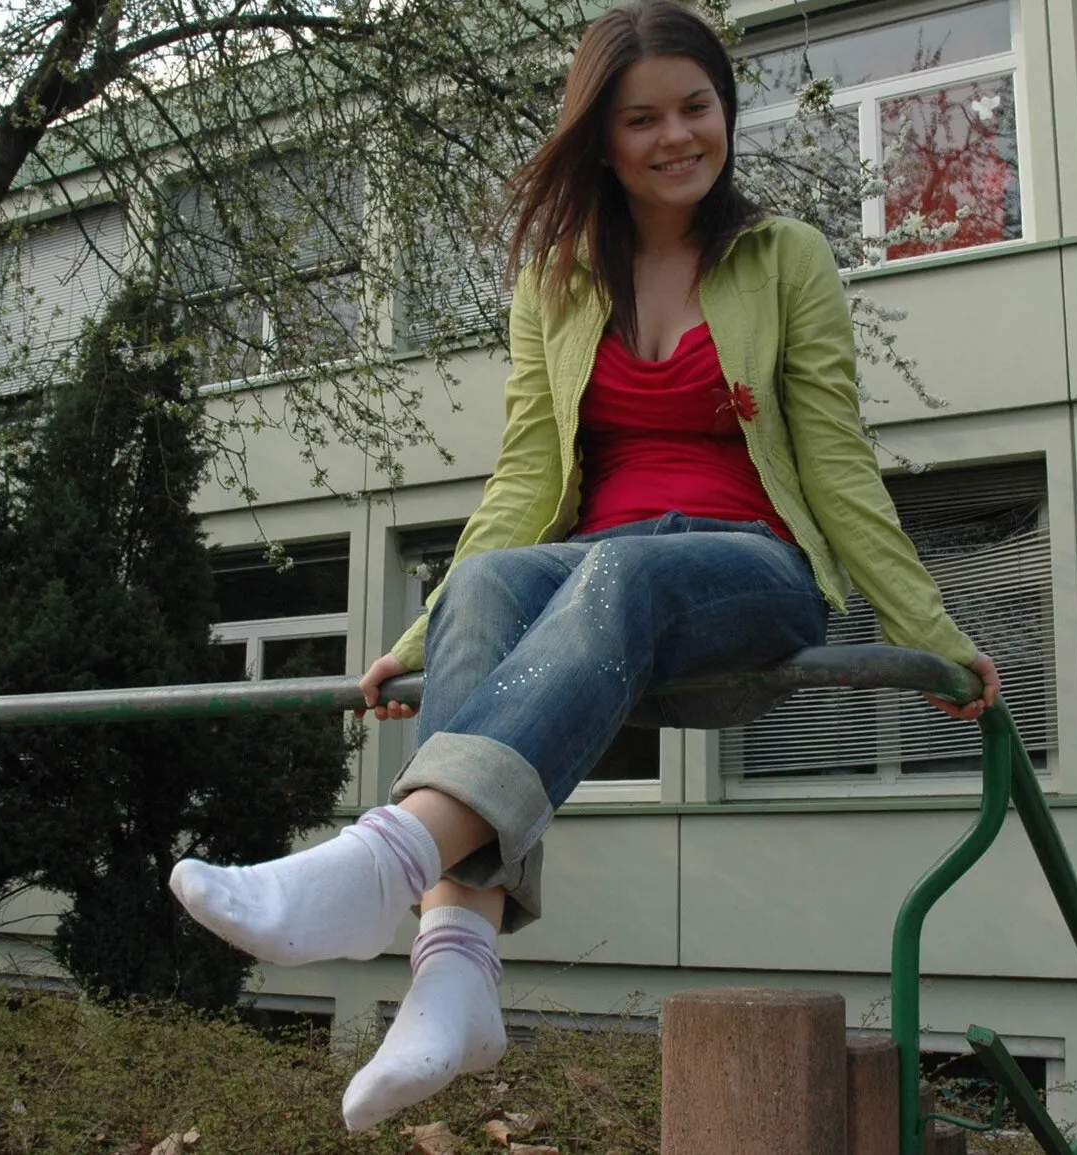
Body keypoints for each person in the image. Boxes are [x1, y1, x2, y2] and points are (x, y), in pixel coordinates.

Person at [168, 0, 999, 1131]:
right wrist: (417, 638)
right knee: (484, 581)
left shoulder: (781, 256)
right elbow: (524, 478)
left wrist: (933, 635)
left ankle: (384, 861)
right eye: (643, 118)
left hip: (746, 572)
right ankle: (456, 971)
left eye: (696, 107)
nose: (677, 136)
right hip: (594, 576)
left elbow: (838, 464)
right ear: (601, 139)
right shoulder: (556, 281)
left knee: (623, 572)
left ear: (726, 109)